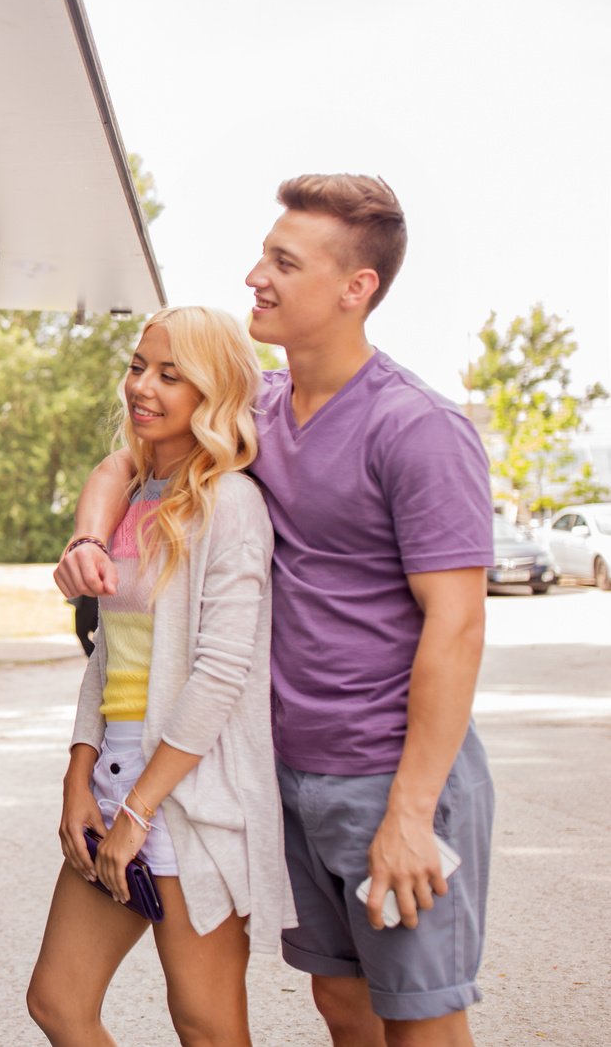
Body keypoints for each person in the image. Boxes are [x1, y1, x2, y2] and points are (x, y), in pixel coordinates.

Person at [56, 175, 494, 1045]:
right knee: (341, 1005)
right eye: (264, 253)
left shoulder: (417, 428)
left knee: (420, 1023)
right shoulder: (257, 406)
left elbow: (458, 624)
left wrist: (410, 812)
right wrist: (89, 539)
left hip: (386, 777)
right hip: (281, 775)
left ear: (354, 287)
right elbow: (128, 457)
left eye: (284, 262)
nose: (256, 274)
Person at [25, 306, 293, 1045]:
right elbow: (111, 657)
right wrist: (79, 776)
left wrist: (139, 810)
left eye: (171, 374)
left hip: (185, 792)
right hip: (115, 775)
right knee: (58, 999)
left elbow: (221, 675)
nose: (142, 385)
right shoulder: (140, 496)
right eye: (139, 364)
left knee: (205, 1024)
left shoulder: (231, 503)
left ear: (214, 393)